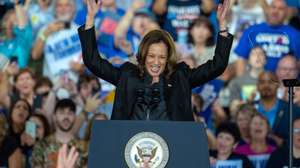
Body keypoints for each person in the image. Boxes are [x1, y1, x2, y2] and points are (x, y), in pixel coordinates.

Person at [78, 0, 233, 121]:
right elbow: (92, 61)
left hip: (172, 148)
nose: (156, 62)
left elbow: (217, 66)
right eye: (152, 56)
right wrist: (90, 19)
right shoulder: (126, 74)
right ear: (144, 55)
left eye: (162, 57)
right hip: (129, 147)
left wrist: (223, 28)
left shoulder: (180, 76)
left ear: (168, 58)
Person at [235, 0, 300, 75]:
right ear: (268, 9)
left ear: (286, 13)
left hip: (283, 81)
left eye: (280, 9)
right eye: (273, 7)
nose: (275, 11)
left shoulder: (295, 35)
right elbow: (241, 59)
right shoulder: (252, 31)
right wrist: (241, 83)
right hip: (257, 79)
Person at [32, 99, 88, 168]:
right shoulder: (41, 145)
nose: (66, 117)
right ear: (54, 117)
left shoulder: (84, 147)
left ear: (75, 117)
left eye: (70, 113)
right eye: (62, 113)